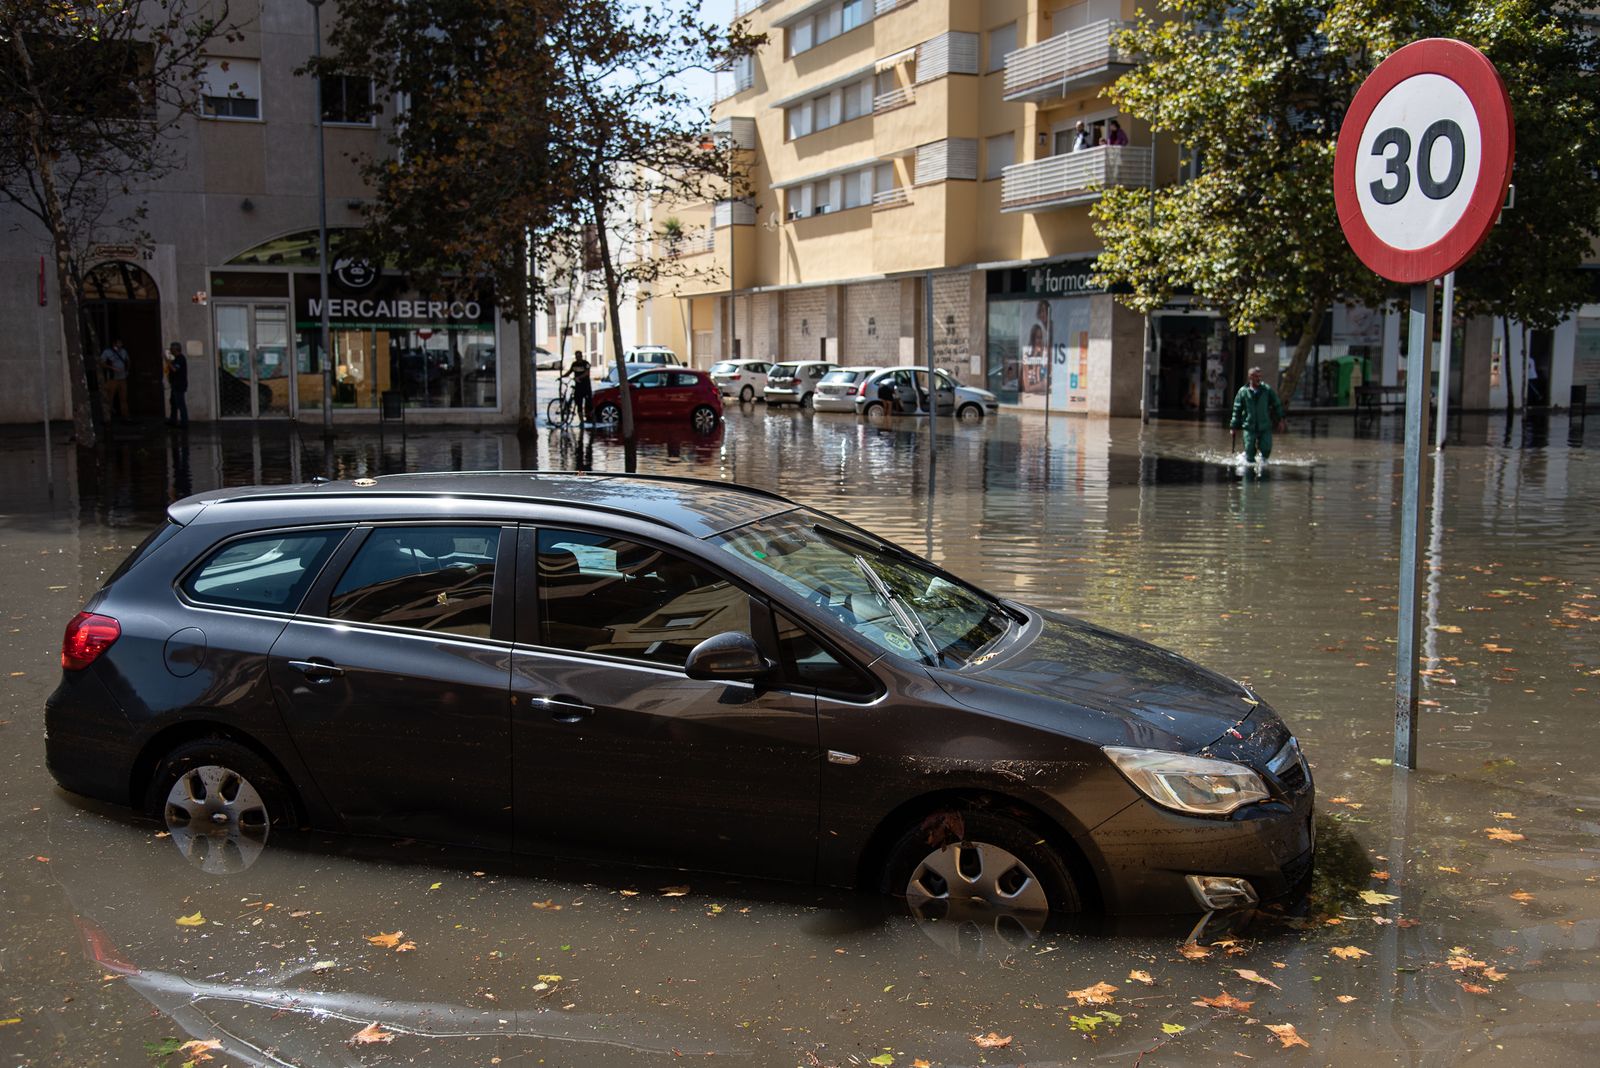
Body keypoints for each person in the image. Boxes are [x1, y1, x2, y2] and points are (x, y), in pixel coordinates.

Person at [1230, 366, 1287, 463]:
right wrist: (1233, 426)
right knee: (1250, 451)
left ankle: (1262, 466)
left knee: (1266, 449)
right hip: (1249, 426)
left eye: (1260, 376)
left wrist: (1281, 419)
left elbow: (1277, 404)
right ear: (1250, 377)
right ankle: (1247, 459)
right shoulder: (1243, 392)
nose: (1259, 379)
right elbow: (1237, 410)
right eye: (1256, 376)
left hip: (1264, 425)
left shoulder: (1267, 390)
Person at [99, 339, 130, 422]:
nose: (120, 345)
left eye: (121, 343)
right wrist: (111, 368)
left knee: (123, 398)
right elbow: (102, 363)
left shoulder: (123, 351)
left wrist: (127, 371)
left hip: (122, 377)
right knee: (110, 398)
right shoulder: (107, 352)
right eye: (118, 343)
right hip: (113, 378)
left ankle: (125, 416)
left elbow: (127, 361)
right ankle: (107, 417)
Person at [164, 342, 189, 429]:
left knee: (180, 404)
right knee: (173, 403)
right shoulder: (176, 358)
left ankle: (184, 422)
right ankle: (173, 420)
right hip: (175, 384)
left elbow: (174, 369)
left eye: (172, 349)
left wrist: (168, 362)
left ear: (176, 349)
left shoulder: (181, 359)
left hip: (179, 385)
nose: (170, 350)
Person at [562, 350, 592, 421]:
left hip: (586, 387)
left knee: (589, 404)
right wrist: (562, 376)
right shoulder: (574, 364)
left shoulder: (586, 363)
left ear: (581, 356)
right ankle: (581, 421)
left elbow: (587, 373)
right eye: (576, 356)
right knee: (579, 404)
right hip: (578, 387)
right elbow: (569, 372)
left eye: (579, 356)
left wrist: (578, 377)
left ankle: (591, 418)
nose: (578, 358)